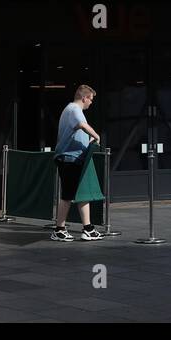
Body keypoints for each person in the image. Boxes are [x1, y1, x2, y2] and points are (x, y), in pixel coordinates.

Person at [51, 85, 104, 241]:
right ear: (84, 98)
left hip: (75, 158)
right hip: (69, 159)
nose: (91, 103)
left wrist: (88, 140)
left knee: (82, 194)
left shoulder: (74, 111)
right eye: (91, 99)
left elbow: (78, 131)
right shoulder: (74, 109)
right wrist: (97, 136)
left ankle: (88, 228)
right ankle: (59, 229)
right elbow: (82, 125)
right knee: (67, 195)